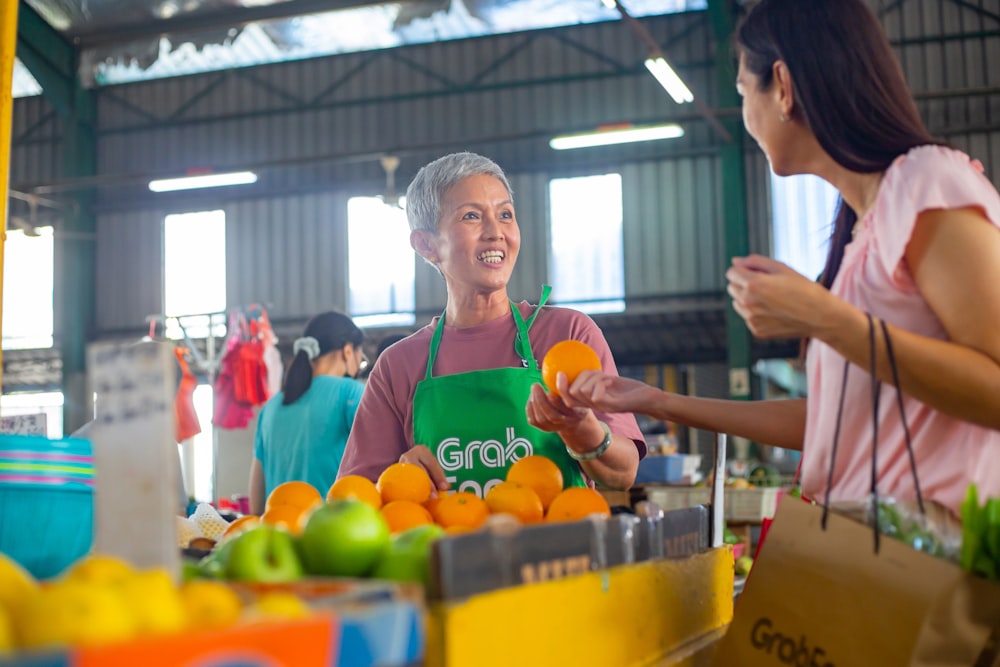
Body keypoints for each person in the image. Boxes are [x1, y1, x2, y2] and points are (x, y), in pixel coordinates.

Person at [554, 0, 1000, 518]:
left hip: (937, 552)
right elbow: (830, 421)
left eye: (745, 91)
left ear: (783, 87)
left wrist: (825, 318)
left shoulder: (927, 182)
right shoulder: (863, 231)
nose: (745, 115)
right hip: (872, 549)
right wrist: (658, 401)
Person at [338, 152, 644, 497]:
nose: (495, 232)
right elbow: (355, 498)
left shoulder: (568, 337)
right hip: (447, 550)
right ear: (426, 245)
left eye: (505, 215)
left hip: (561, 550)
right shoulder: (398, 365)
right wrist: (397, 478)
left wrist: (583, 429)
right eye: (471, 216)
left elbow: (623, 473)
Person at [249, 311, 367, 514]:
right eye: (360, 357)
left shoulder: (271, 406)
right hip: (329, 532)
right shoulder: (351, 392)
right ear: (348, 351)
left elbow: (257, 495)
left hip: (276, 532)